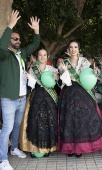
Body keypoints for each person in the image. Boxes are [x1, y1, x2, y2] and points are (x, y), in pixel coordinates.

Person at [0, 10, 40, 170]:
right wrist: (9, 26)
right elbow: (1, 46)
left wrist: (36, 31)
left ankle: (14, 147)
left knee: (17, 125)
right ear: (8, 39)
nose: (18, 41)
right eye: (14, 38)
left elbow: (35, 45)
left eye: (19, 39)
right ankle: (2, 159)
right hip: (9, 98)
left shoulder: (21, 52)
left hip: (22, 97)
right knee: (7, 128)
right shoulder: (4, 55)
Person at [58, 40, 102, 158]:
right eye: (71, 47)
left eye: (75, 47)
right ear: (68, 50)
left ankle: (79, 148)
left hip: (83, 93)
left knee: (81, 120)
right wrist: (64, 72)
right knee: (69, 120)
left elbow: (90, 77)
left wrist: (95, 74)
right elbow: (61, 83)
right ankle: (69, 147)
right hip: (68, 93)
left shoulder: (85, 62)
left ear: (79, 50)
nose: (73, 49)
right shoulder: (63, 63)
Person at [19, 49, 58, 157]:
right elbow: (31, 86)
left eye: (44, 55)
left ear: (48, 56)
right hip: (36, 97)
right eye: (40, 55)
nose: (42, 57)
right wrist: (29, 78)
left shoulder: (52, 69)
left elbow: (57, 84)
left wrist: (57, 78)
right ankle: (34, 148)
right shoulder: (32, 69)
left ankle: (47, 148)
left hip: (49, 98)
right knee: (34, 121)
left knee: (49, 122)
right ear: (37, 57)